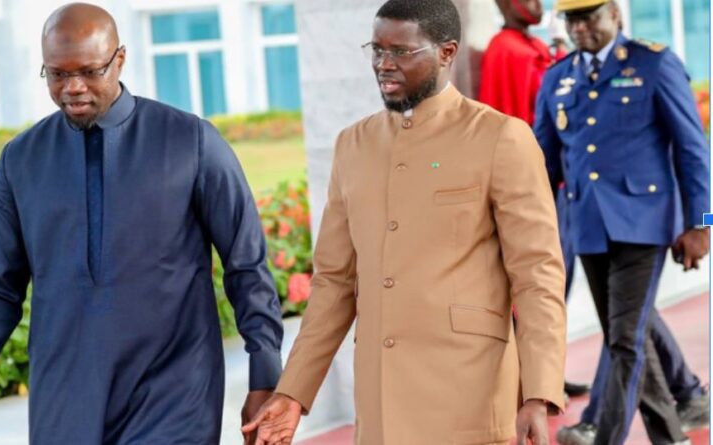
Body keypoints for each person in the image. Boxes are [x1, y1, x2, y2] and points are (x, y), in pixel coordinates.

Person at [0, 4, 283, 445]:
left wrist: (265, 374)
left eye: (89, 71)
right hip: (63, 401)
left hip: (175, 395)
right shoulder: (20, 161)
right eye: (57, 74)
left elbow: (246, 265)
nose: (73, 87)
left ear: (120, 59)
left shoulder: (191, 142)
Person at [242, 1, 567, 444]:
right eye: (377, 50)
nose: (383, 64)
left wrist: (539, 392)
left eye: (401, 51)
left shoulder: (500, 138)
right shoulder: (353, 145)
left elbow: (537, 275)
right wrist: (293, 392)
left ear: (447, 52)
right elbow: (334, 282)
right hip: (381, 405)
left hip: (469, 396)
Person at [533, 0, 710, 444]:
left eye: (589, 16)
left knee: (625, 341)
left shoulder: (654, 63)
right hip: (588, 227)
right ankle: (670, 437)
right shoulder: (558, 77)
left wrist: (702, 223)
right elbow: (543, 165)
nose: (579, 28)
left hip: (645, 224)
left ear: (614, 13)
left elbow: (693, 148)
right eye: (572, 19)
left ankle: (604, 436)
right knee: (627, 336)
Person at [478, 0, 590, 399]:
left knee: (555, 284)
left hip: (555, 182)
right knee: (538, 286)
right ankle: (530, 380)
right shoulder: (507, 50)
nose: (537, 5)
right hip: (531, 186)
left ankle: (545, 373)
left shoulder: (531, 46)